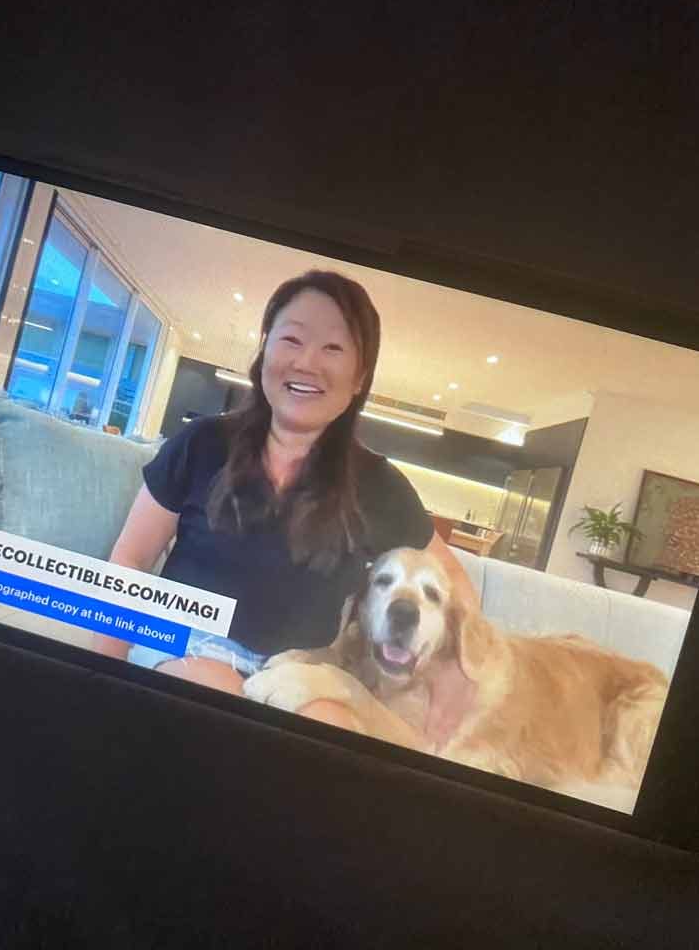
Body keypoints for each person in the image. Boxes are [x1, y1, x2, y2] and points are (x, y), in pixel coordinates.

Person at [93, 270, 479, 728]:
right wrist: (100, 676)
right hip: (188, 643)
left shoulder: (381, 485)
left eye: (333, 348)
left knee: (333, 738)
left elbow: (453, 578)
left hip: (305, 670)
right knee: (218, 709)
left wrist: (456, 668)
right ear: (265, 352)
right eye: (292, 340)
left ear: (359, 377)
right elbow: (132, 559)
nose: (307, 363)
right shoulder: (202, 443)